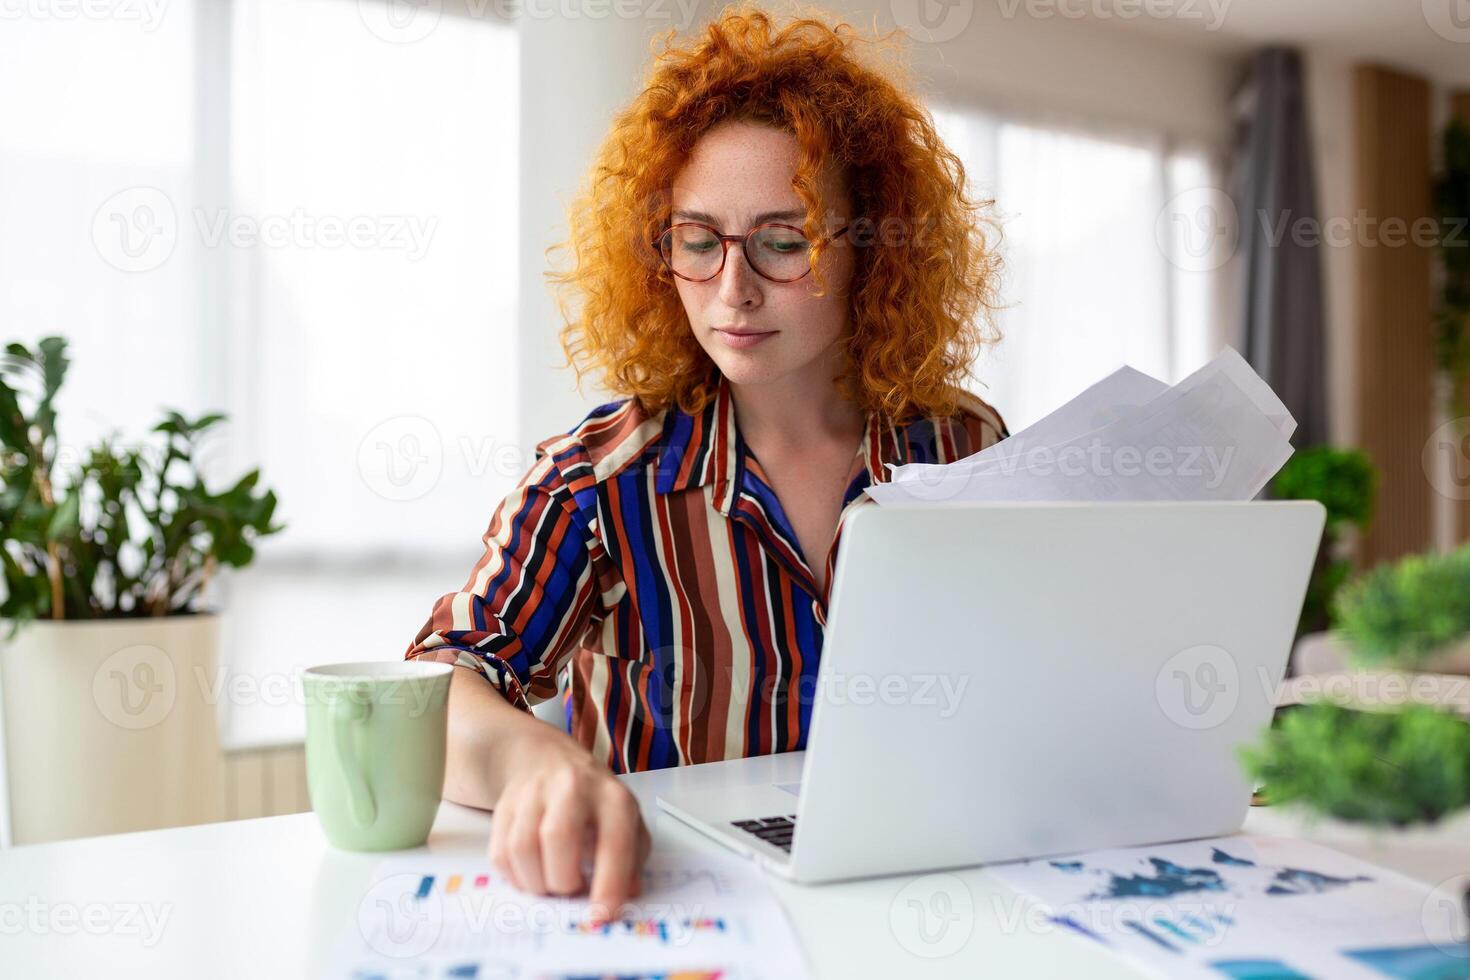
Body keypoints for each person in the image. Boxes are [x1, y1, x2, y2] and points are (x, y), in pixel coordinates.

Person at [403, 4, 1008, 919]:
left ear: (870, 251)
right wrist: (539, 763)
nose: (734, 287)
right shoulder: (598, 481)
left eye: (783, 238)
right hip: (683, 912)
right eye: (698, 240)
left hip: (930, 894)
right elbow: (442, 683)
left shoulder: (965, 448)